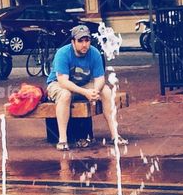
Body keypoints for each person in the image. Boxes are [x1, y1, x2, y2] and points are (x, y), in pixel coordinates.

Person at [46, 24, 125, 152]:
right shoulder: (63, 53)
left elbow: (100, 79)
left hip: (83, 84)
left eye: (87, 40)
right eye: (80, 41)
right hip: (58, 84)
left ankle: (115, 135)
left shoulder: (94, 53)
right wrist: (85, 92)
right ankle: (63, 139)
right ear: (73, 42)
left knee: (106, 90)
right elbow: (63, 81)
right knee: (66, 95)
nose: (84, 44)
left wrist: (95, 91)